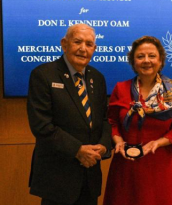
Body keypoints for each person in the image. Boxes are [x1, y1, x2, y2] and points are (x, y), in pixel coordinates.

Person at [27, 24, 112, 205]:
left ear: (94, 49)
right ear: (64, 44)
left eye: (89, 44)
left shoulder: (97, 78)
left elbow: (104, 120)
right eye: (77, 42)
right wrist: (78, 150)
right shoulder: (43, 75)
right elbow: (42, 125)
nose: (83, 48)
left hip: (90, 177)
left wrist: (103, 147)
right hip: (57, 178)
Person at [103, 36, 172, 205]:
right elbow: (111, 121)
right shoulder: (120, 88)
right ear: (133, 61)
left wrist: (158, 143)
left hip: (159, 165)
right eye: (140, 56)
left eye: (152, 56)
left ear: (160, 60)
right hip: (125, 167)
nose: (146, 61)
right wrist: (118, 139)